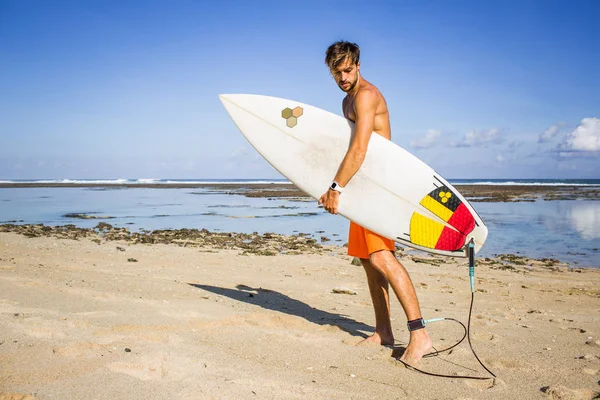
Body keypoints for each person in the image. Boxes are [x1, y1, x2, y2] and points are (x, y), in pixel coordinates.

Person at [318, 40, 432, 364]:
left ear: (357, 64)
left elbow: (360, 149)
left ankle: (420, 335)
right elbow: (347, 150)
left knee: (382, 258)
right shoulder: (346, 102)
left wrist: (336, 187)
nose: (342, 77)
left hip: (382, 188)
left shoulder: (366, 96)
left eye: (347, 70)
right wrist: (332, 186)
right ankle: (384, 331)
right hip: (362, 189)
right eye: (336, 72)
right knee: (368, 262)